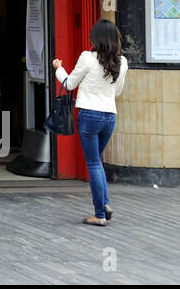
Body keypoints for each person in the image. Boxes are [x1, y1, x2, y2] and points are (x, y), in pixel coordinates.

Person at [54, 19, 129, 227]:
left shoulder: (87, 57)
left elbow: (69, 84)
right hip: (109, 116)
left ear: (96, 39)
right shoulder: (122, 62)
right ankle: (104, 204)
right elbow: (117, 92)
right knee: (97, 162)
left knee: (94, 164)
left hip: (89, 115)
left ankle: (100, 214)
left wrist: (58, 68)